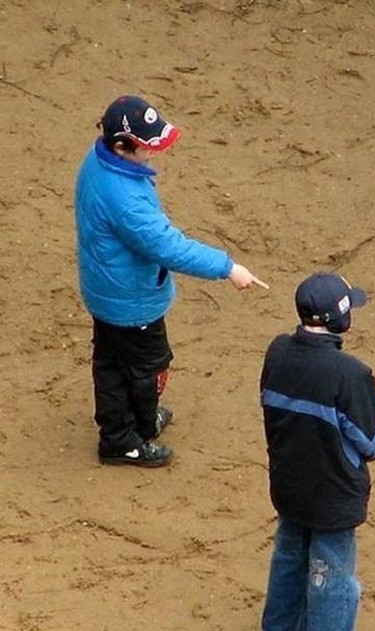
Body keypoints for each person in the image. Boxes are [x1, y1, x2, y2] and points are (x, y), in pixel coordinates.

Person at [74, 94, 268, 467]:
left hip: (106, 291)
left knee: (110, 363)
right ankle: (132, 435)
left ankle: (122, 429)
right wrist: (227, 267)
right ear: (121, 146)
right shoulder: (126, 199)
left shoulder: (98, 162)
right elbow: (168, 246)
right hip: (132, 302)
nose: (153, 153)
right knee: (149, 367)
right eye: (146, 147)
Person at [260, 272, 375, 631]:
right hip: (333, 493)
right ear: (340, 319)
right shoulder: (349, 374)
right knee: (331, 571)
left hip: (288, 482)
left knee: (289, 554)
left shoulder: (277, 351)